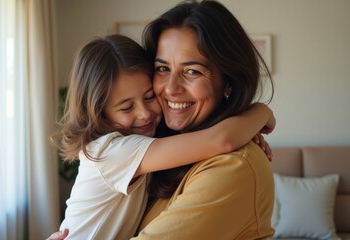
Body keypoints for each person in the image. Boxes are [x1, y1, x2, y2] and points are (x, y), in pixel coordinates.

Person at [50, 33, 274, 240]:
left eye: (149, 97)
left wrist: (246, 129)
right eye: (127, 107)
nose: (144, 113)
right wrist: (261, 112)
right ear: (100, 114)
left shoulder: (146, 143)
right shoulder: (112, 151)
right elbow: (220, 140)